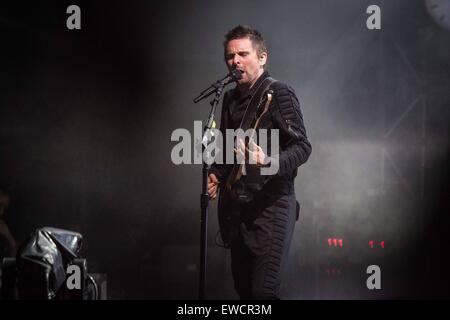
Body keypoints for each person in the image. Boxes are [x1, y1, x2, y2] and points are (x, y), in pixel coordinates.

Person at [208, 25, 312, 300]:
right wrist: (217, 174)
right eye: (230, 56)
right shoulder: (229, 98)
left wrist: (267, 161)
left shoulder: (279, 93)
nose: (235, 61)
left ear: (262, 57)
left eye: (243, 53)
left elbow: (302, 146)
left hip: (272, 207)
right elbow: (227, 149)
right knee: (244, 293)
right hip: (238, 210)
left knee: (262, 293)